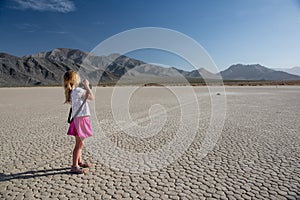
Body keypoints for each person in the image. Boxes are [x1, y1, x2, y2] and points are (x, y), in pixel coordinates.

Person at [63, 70, 94, 174]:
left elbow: (86, 100)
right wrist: (87, 86)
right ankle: (74, 166)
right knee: (79, 144)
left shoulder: (72, 92)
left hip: (77, 120)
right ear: (74, 79)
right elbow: (91, 97)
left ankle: (79, 162)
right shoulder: (78, 91)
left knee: (80, 143)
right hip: (81, 120)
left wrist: (84, 89)